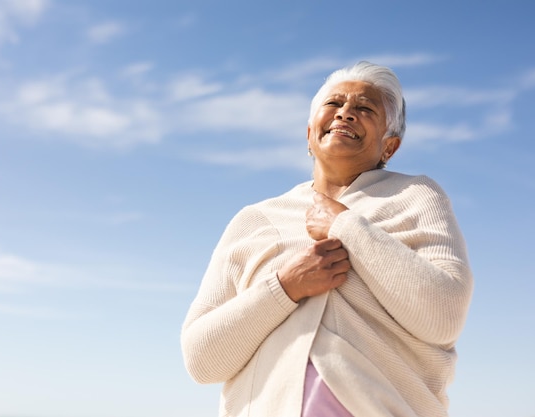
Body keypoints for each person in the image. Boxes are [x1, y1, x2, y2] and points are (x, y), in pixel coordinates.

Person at [181, 61, 473, 417]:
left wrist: (346, 226)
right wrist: (284, 287)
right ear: (308, 134)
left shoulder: (416, 196)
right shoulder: (254, 220)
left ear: (389, 147)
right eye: (334, 104)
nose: (346, 113)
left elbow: (442, 317)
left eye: (365, 108)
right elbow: (201, 361)